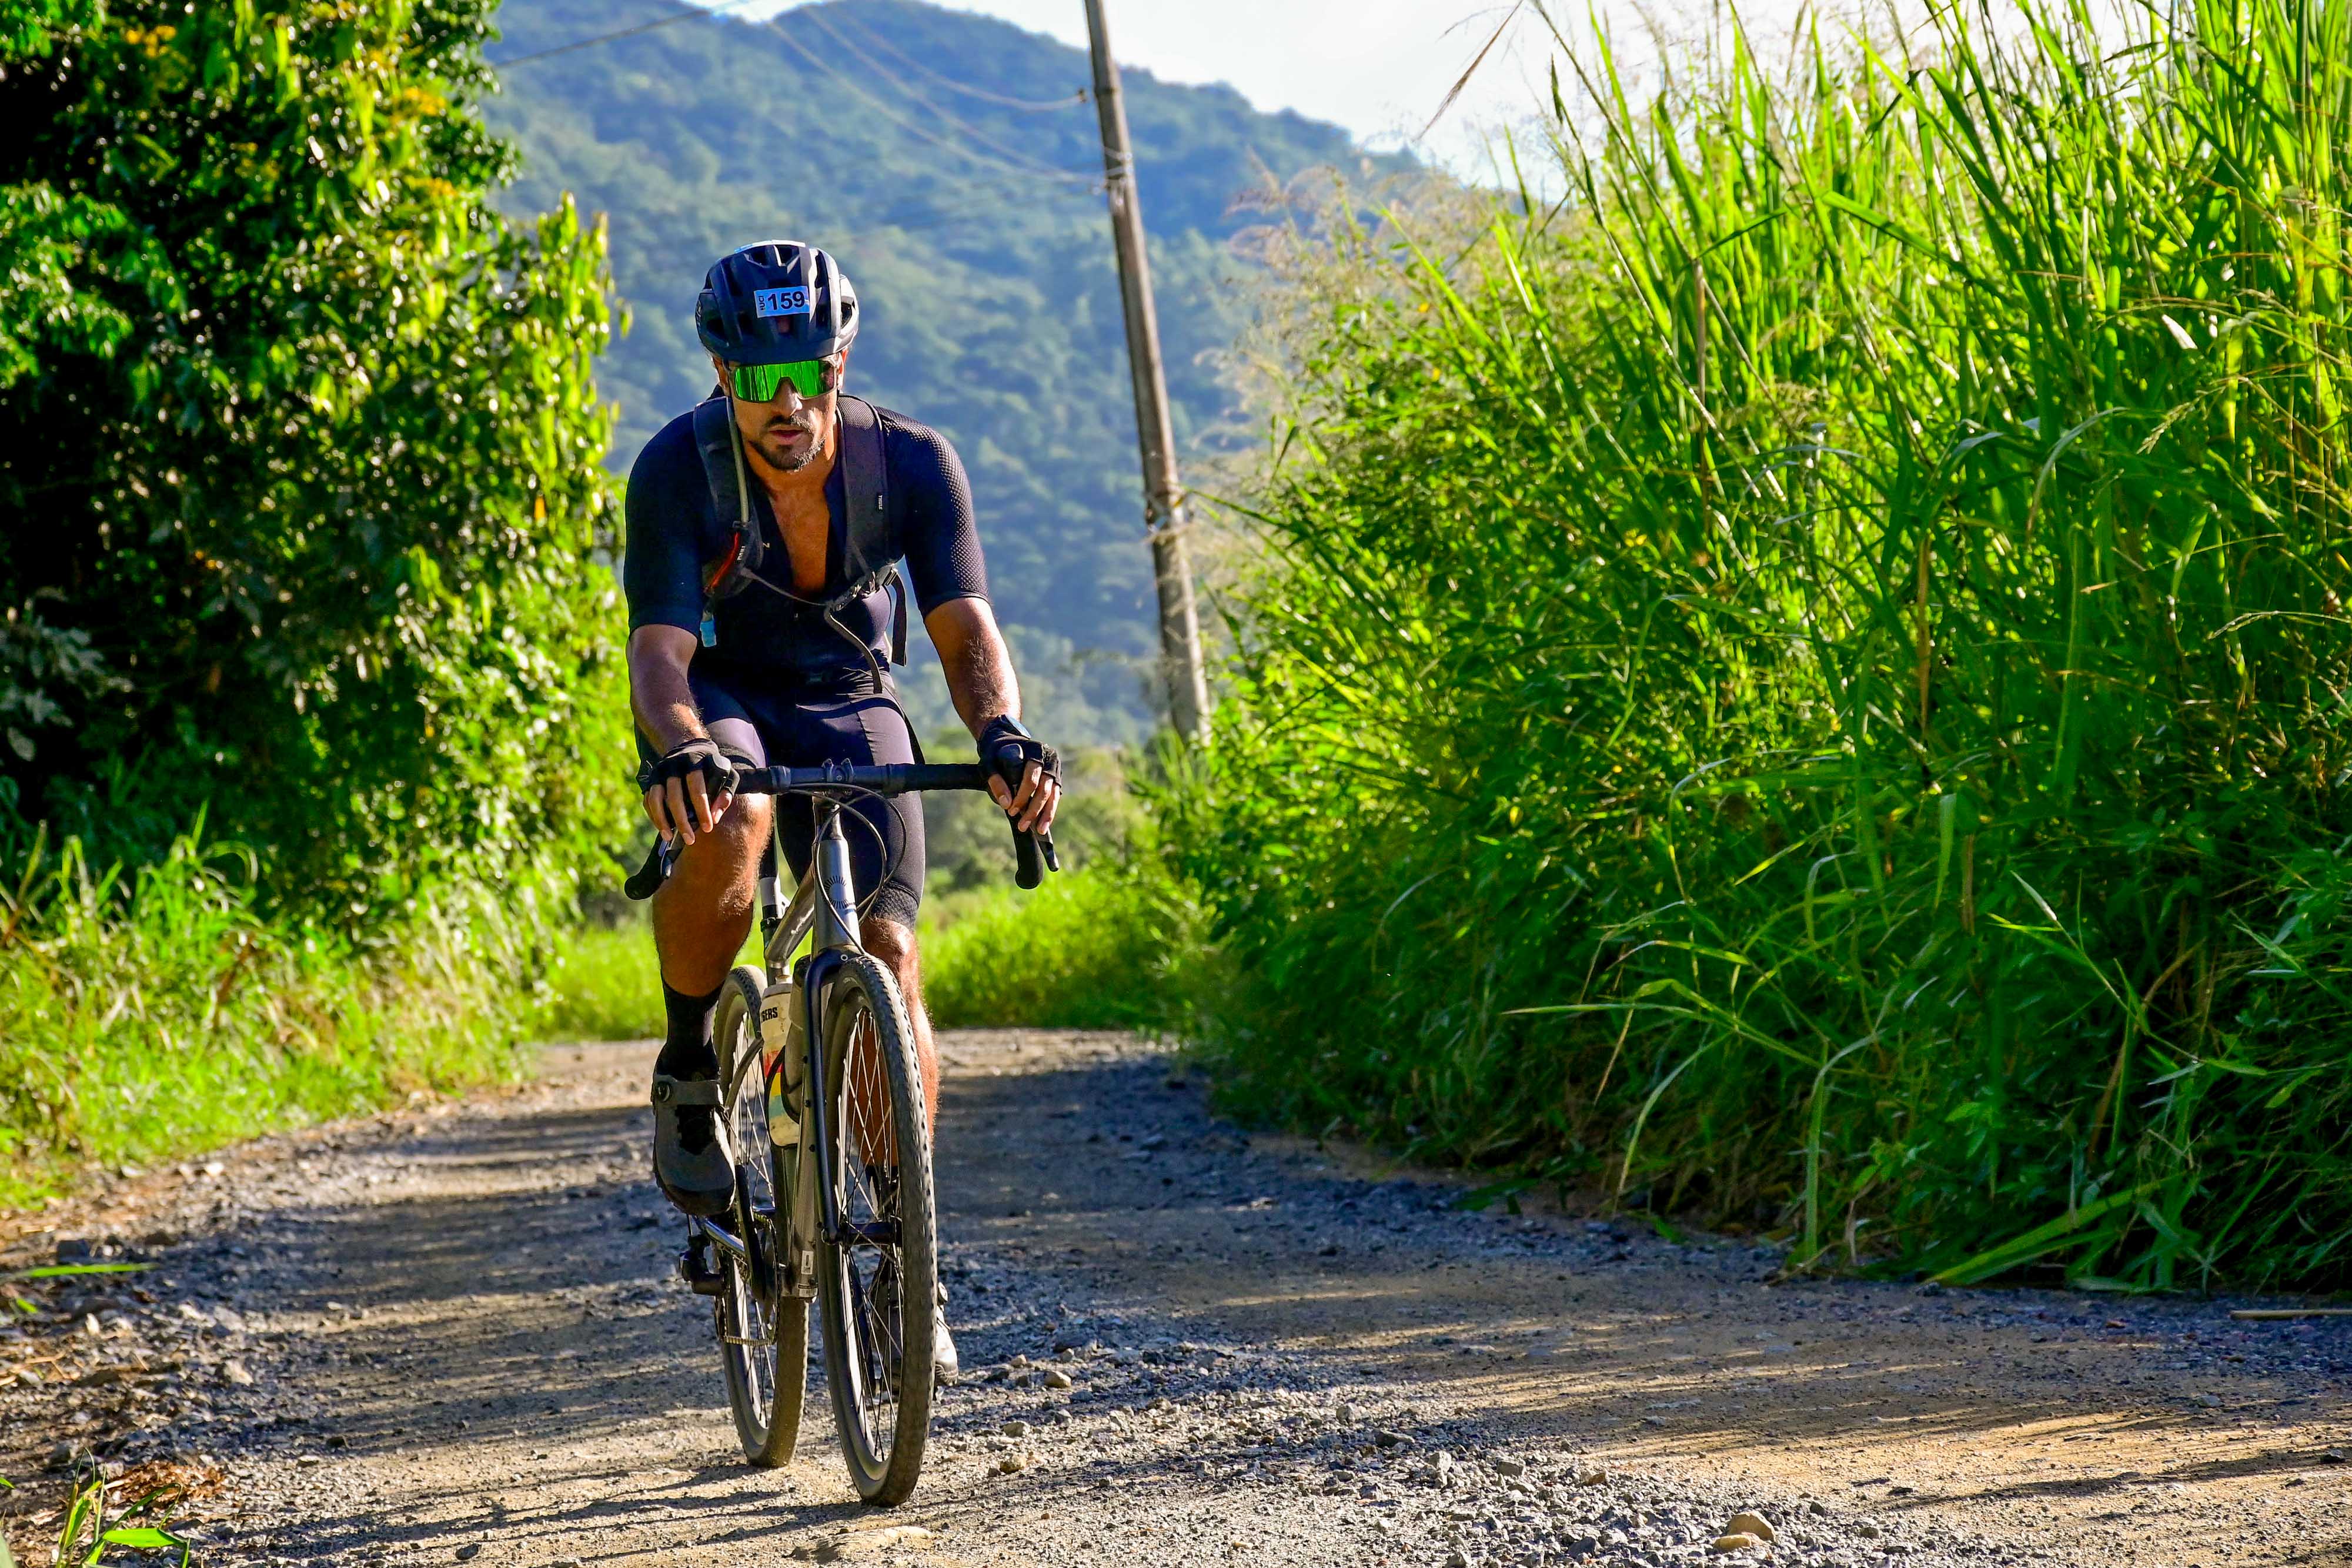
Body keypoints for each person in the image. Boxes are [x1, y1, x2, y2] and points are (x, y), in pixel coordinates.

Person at [623, 241, 1060, 1378]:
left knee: (892, 949)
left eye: (809, 374)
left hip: (849, 699)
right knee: (734, 821)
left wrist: (1002, 738)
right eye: (760, 380)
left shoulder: (913, 463)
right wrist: (680, 752)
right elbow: (662, 657)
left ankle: (907, 1257)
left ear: (840, 361)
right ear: (723, 375)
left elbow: (964, 630)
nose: (788, 403)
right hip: (721, 707)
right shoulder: (679, 471)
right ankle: (687, 1068)